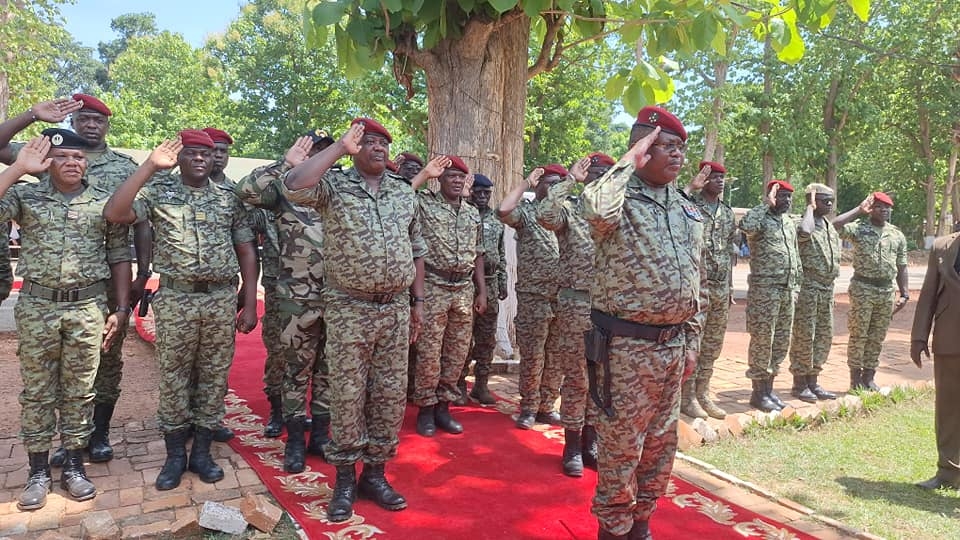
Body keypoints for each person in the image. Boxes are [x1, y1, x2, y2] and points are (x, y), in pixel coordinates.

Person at [280, 118, 426, 522]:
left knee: (390, 395)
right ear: (355, 147)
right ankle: (345, 478)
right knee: (346, 393)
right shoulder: (334, 186)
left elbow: (416, 247)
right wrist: (338, 149)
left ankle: (374, 475)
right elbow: (294, 184)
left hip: (395, 309)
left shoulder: (402, 192)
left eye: (383, 142)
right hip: (350, 307)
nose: (377, 148)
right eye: (368, 142)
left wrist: (418, 301)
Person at [102, 130, 259, 491]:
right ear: (180, 157)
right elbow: (116, 212)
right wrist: (149, 167)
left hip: (220, 299)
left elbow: (247, 250)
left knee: (214, 375)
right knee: (173, 377)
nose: (201, 159)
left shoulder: (229, 198)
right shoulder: (159, 191)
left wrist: (249, 302)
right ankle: (175, 455)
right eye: (192, 153)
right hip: (176, 299)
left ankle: (202, 452)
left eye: (207, 154)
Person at [0, 94, 151, 466]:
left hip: (93, 298)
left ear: (107, 126)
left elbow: (127, 236)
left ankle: (91, 440)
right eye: (83, 118)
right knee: (42, 385)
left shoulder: (122, 168)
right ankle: (49, 455)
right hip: (42, 300)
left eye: (98, 120)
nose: (72, 161)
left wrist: (128, 295)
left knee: (98, 372)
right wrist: (31, 119)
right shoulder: (40, 162)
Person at [581, 106, 705, 540]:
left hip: (672, 347)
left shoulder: (686, 208)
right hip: (624, 347)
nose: (677, 156)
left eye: (681, 149)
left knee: (660, 445)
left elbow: (696, 280)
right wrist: (627, 161)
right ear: (643, 148)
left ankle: (641, 524)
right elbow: (594, 213)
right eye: (666, 146)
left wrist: (692, 339)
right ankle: (613, 530)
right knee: (620, 447)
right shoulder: (616, 194)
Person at [235, 133, 333, 472]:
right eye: (313, 153)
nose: (318, 159)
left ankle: (320, 434)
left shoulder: (340, 190)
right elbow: (245, 191)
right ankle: (294, 439)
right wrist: (284, 164)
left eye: (325, 153)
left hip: (338, 297)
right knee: (295, 369)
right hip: (296, 297)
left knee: (328, 370)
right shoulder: (284, 188)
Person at [536, 153, 612, 477]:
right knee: (578, 380)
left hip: (609, 310)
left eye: (605, 174)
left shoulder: (616, 214)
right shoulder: (571, 210)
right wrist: (569, 181)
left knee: (602, 380)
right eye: (593, 173)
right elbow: (545, 214)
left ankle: (591, 443)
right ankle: (571, 445)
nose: (598, 179)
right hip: (575, 306)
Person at [408, 155, 487, 436]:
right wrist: (424, 174)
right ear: (440, 180)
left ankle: (444, 407)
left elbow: (478, 254)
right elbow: (403, 196)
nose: (455, 181)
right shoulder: (425, 204)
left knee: (456, 353)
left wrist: (482, 290)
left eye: (460, 177)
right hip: (433, 285)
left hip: (464, 290)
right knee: (429, 353)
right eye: (450, 176)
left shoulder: (471, 212)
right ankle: (426, 409)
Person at [498, 163, 564, 429]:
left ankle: (547, 406)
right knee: (533, 355)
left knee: (555, 356)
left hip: (562, 297)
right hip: (533, 296)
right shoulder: (526, 214)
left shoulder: (567, 214)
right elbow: (503, 210)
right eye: (548, 182)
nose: (553, 187)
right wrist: (525, 182)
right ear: (539, 185)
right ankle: (528, 406)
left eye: (558, 182)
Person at [833, 192, 909, 391]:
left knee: (877, 336)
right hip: (863, 288)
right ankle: (855, 379)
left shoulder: (896, 234)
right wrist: (858, 210)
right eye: (879, 207)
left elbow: (902, 266)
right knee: (859, 335)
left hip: (886, 290)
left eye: (887, 208)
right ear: (870, 209)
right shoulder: (859, 229)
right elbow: (834, 226)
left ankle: (869, 377)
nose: (884, 211)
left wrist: (904, 293)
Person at [682, 160, 738, 419]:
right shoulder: (691, 204)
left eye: (722, 178)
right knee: (694, 341)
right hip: (696, 286)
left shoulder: (727, 213)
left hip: (719, 287)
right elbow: (674, 207)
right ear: (704, 179)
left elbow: (728, 251)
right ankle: (687, 395)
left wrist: (729, 287)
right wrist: (690, 188)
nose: (719, 181)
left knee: (713, 344)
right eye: (714, 177)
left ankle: (703, 393)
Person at [739, 180, 801, 412]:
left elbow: (795, 256)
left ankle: (769, 389)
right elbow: (746, 226)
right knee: (763, 340)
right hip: (765, 290)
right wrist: (766, 204)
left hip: (786, 290)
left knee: (780, 341)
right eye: (782, 196)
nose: (786, 201)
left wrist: (795, 287)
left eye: (789, 197)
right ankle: (758, 392)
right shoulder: (761, 218)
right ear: (771, 196)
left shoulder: (787, 222)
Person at [911, 230, 960, 490]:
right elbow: (929, 293)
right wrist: (919, 337)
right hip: (949, 340)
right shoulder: (942, 245)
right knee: (948, 410)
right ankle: (948, 473)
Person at [788, 184, 840, 402]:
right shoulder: (801, 222)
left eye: (831, 201)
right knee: (804, 336)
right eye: (823, 200)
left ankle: (813, 381)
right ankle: (799, 384)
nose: (828, 204)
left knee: (823, 336)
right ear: (811, 200)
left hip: (826, 289)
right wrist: (809, 207)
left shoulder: (828, 225)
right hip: (808, 287)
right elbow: (804, 232)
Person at [460, 173, 508, 405]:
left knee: (486, 338)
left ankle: (481, 385)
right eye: (477, 192)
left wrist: (502, 283)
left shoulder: (496, 219)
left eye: (486, 193)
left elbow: (502, 254)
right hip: (465, 283)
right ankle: (458, 383)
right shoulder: (464, 214)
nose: (481, 197)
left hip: (490, 281)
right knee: (462, 337)